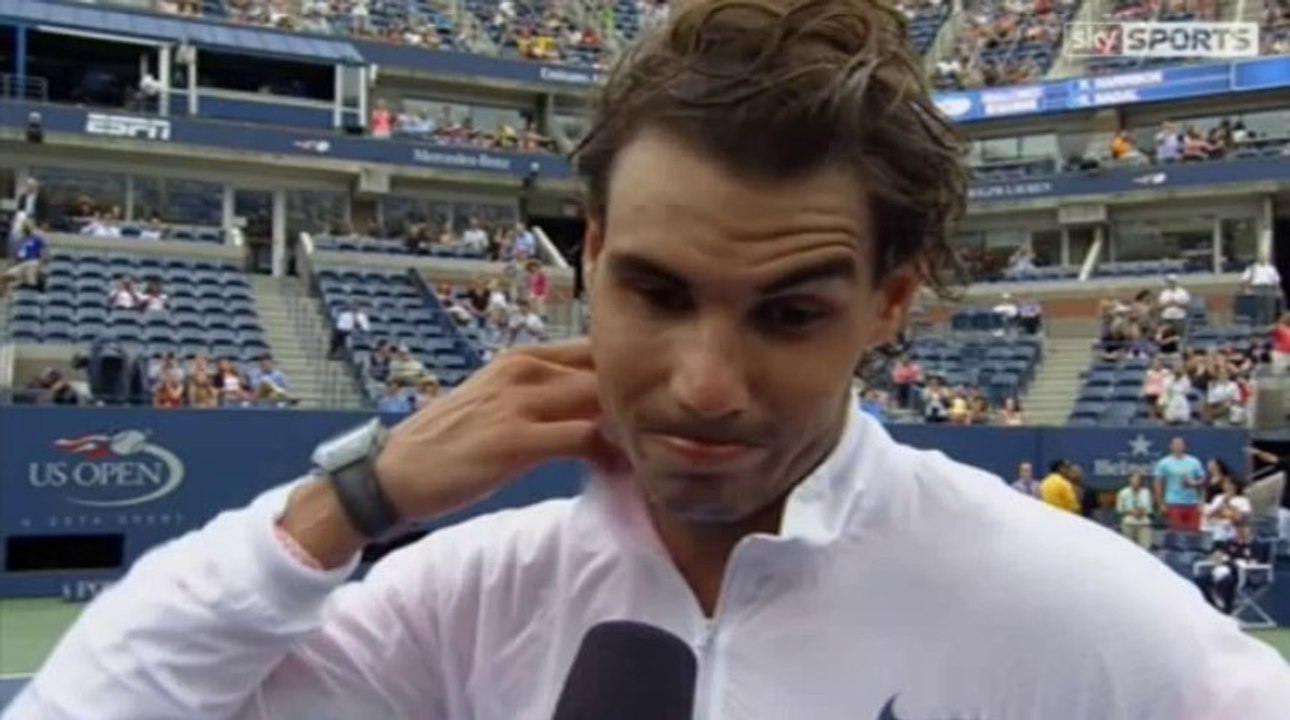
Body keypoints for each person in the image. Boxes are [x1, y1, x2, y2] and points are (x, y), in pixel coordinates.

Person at [12, 1, 1290, 718]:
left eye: (787, 314)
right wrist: (343, 504)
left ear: (892, 302)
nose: (702, 383)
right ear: (591, 255)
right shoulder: (467, 600)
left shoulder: (1074, 615)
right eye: (656, 292)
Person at [1154, 436, 1206, 532]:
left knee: (1193, 533)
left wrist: (1194, 483)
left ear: (1185, 446)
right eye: (1176, 444)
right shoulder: (1164, 463)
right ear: (1171, 446)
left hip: (1192, 503)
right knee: (1176, 533)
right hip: (1174, 502)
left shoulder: (1194, 462)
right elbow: (1158, 484)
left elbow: (1203, 480)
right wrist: (1161, 504)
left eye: (1180, 444)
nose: (1178, 447)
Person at [1202, 475, 1251, 543]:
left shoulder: (1243, 500)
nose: (1228, 486)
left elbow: (1241, 519)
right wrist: (1223, 502)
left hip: (1234, 537)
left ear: (1235, 486)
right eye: (1225, 483)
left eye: (1230, 484)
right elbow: (1209, 516)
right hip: (1218, 536)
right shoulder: (1218, 498)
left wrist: (1229, 506)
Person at [1116, 470, 1154, 549]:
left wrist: (1142, 512)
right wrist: (1132, 513)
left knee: (1145, 547)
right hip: (1129, 522)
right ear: (1129, 480)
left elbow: (1150, 509)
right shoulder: (1123, 492)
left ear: (1141, 481)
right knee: (1128, 547)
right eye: (1134, 479)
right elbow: (1119, 509)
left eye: (1138, 479)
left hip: (1144, 522)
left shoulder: (1146, 492)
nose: (1136, 481)